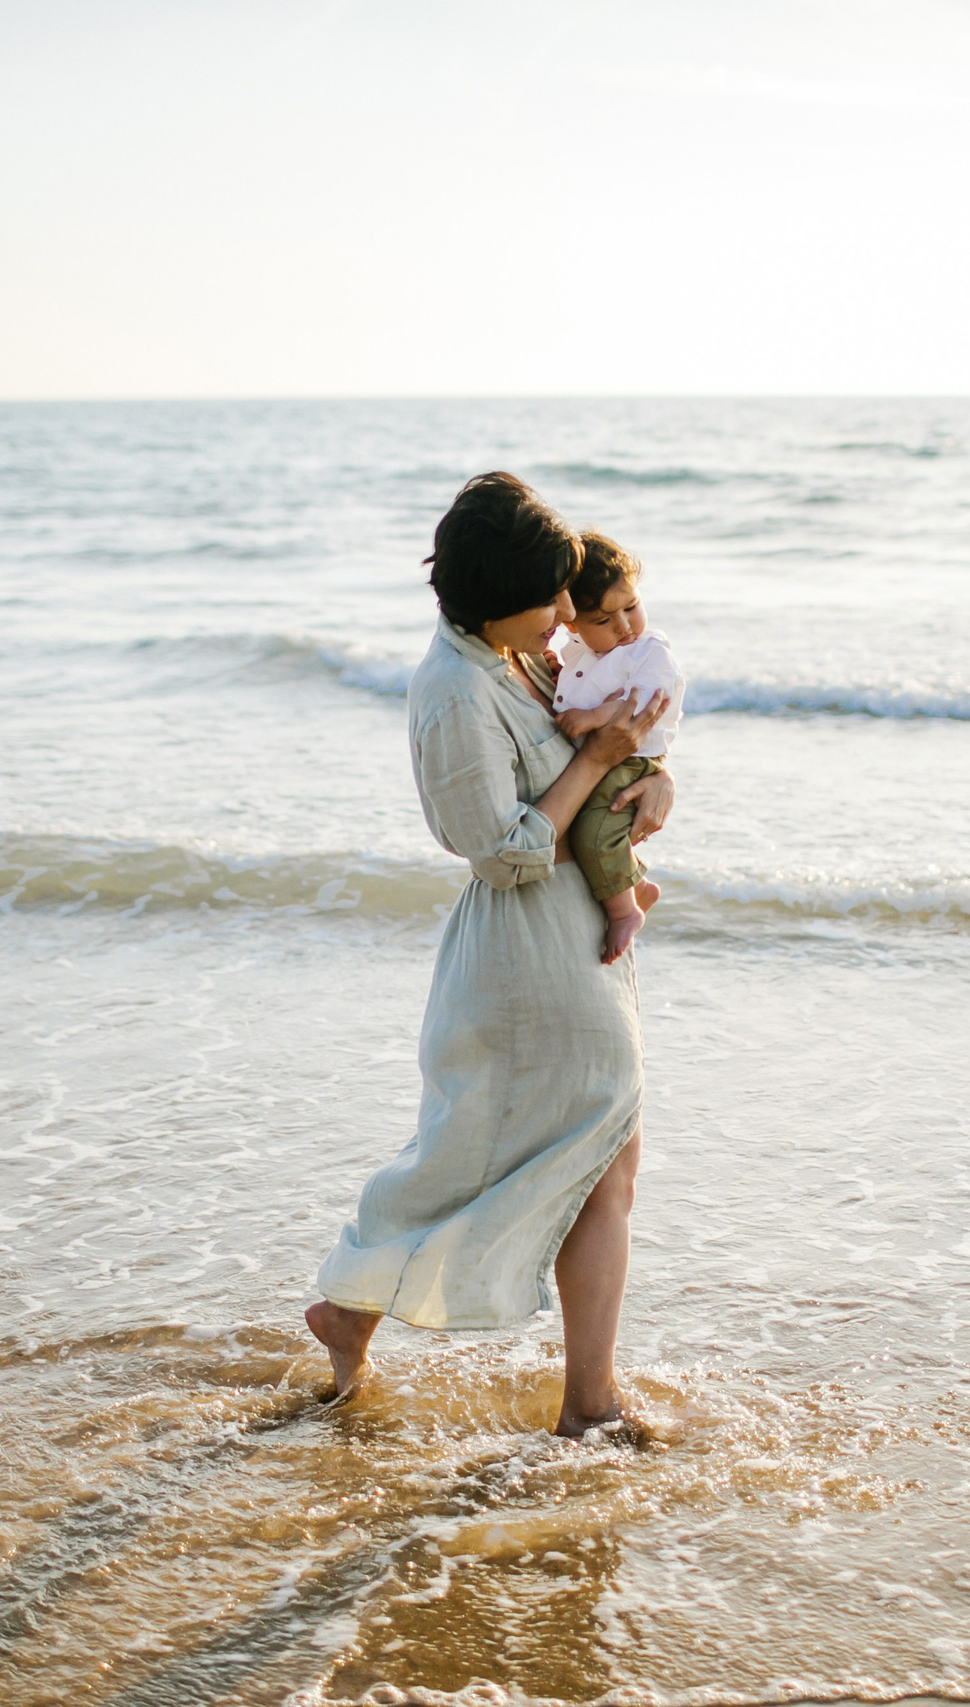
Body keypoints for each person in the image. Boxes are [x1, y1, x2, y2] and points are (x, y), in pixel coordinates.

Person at [306, 473, 674, 1439]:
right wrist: (597, 765)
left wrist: (651, 779)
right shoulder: (456, 690)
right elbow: (503, 851)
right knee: (586, 1152)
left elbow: (600, 741)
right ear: (494, 592)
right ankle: (588, 1403)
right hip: (527, 953)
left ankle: (351, 1308)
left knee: (518, 1151)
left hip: (571, 935)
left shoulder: (516, 655)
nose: (567, 612)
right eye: (549, 595)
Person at [549, 532, 685, 965]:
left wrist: (594, 717)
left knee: (594, 831)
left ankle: (626, 909)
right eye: (605, 621)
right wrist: (557, 676)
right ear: (572, 622)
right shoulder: (577, 652)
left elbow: (648, 702)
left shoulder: (648, 650)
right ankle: (634, 883)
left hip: (634, 760)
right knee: (591, 825)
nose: (625, 626)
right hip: (611, 758)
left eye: (631, 607)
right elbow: (577, 689)